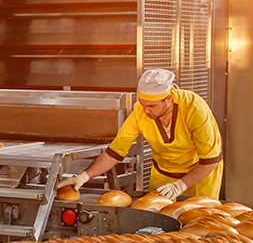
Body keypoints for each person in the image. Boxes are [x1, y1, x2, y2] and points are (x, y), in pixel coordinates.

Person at [58, 69, 223, 200]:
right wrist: (84, 176)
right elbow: (115, 152)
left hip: (199, 177)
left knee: (198, 230)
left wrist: (179, 186)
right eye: (143, 104)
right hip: (163, 176)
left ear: (169, 99)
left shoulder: (195, 109)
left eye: (151, 106)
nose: (146, 110)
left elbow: (210, 161)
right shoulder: (140, 112)